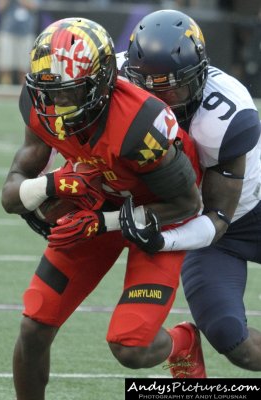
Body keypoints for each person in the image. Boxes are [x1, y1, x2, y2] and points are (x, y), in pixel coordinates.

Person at [1, 17, 207, 399]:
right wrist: (51, 183)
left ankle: (183, 343)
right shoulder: (40, 102)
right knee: (34, 324)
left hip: (158, 213)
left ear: (100, 83)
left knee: (131, 345)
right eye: (49, 92)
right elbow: (11, 193)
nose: (55, 105)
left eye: (69, 93)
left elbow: (186, 202)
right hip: (99, 198)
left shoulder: (140, 123)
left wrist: (102, 223)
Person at [119, 9, 261, 373]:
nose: (156, 99)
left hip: (236, 211)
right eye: (146, 86)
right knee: (232, 339)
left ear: (197, 77)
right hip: (207, 229)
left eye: (169, 87)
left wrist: (162, 240)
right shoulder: (115, 76)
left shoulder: (226, 113)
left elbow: (218, 217)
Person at [0, 0, 40, 85]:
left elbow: (35, 6)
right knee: (5, 66)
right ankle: (5, 92)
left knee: (25, 69)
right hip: (7, 32)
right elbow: (0, 7)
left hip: (27, 33)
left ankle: (24, 94)